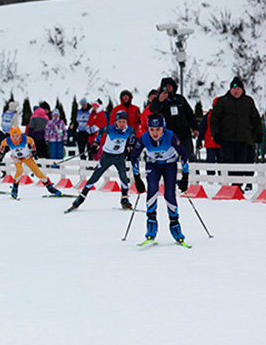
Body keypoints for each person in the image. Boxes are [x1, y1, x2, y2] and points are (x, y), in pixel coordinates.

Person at [130, 114, 190, 245]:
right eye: (151, 129)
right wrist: (137, 178)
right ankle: (151, 225)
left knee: (169, 194)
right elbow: (134, 157)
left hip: (169, 165)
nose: (155, 133)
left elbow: (184, 154)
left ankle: (175, 225)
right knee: (152, 190)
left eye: (158, 129)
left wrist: (185, 176)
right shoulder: (144, 137)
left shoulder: (170, 136)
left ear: (163, 127)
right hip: (152, 165)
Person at [66, 111, 135, 213]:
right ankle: (81, 198)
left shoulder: (130, 130)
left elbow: (132, 137)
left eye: (124, 122)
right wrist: (96, 144)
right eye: (120, 121)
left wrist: (131, 147)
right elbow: (101, 131)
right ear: (116, 121)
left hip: (120, 157)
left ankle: (124, 199)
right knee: (95, 176)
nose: (122, 124)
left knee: (123, 177)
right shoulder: (109, 129)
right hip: (107, 156)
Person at [210, 76, 262, 189]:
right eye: (234, 88)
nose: (236, 91)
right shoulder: (222, 101)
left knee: (241, 163)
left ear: (242, 90)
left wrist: (259, 133)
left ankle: (237, 185)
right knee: (228, 162)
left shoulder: (248, 101)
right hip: (227, 139)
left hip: (244, 139)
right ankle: (230, 185)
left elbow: (255, 118)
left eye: (238, 88)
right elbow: (214, 119)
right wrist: (216, 133)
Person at [0, 126, 63, 200]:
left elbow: (32, 141)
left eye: (17, 136)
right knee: (20, 170)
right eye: (13, 136)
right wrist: (0, 154)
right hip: (16, 158)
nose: (15, 138)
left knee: (37, 171)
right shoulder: (7, 141)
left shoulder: (25, 138)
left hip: (26, 157)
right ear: (10, 136)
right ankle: (15, 188)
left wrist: (34, 151)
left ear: (20, 135)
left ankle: (49, 187)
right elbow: (2, 145)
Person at [149, 77, 198, 159]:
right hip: (168, 134)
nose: (168, 88)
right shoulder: (159, 100)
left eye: (170, 86)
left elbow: (190, 114)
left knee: (188, 156)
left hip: (184, 133)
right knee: (169, 157)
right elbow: (152, 110)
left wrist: (195, 128)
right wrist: (159, 101)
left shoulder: (180, 99)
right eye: (165, 86)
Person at [198, 98, 221, 164]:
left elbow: (202, 129)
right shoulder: (209, 116)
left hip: (211, 142)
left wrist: (199, 139)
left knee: (211, 161)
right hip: (215, 142)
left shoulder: (208, 116)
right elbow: (202, 129)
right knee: (220, 161)